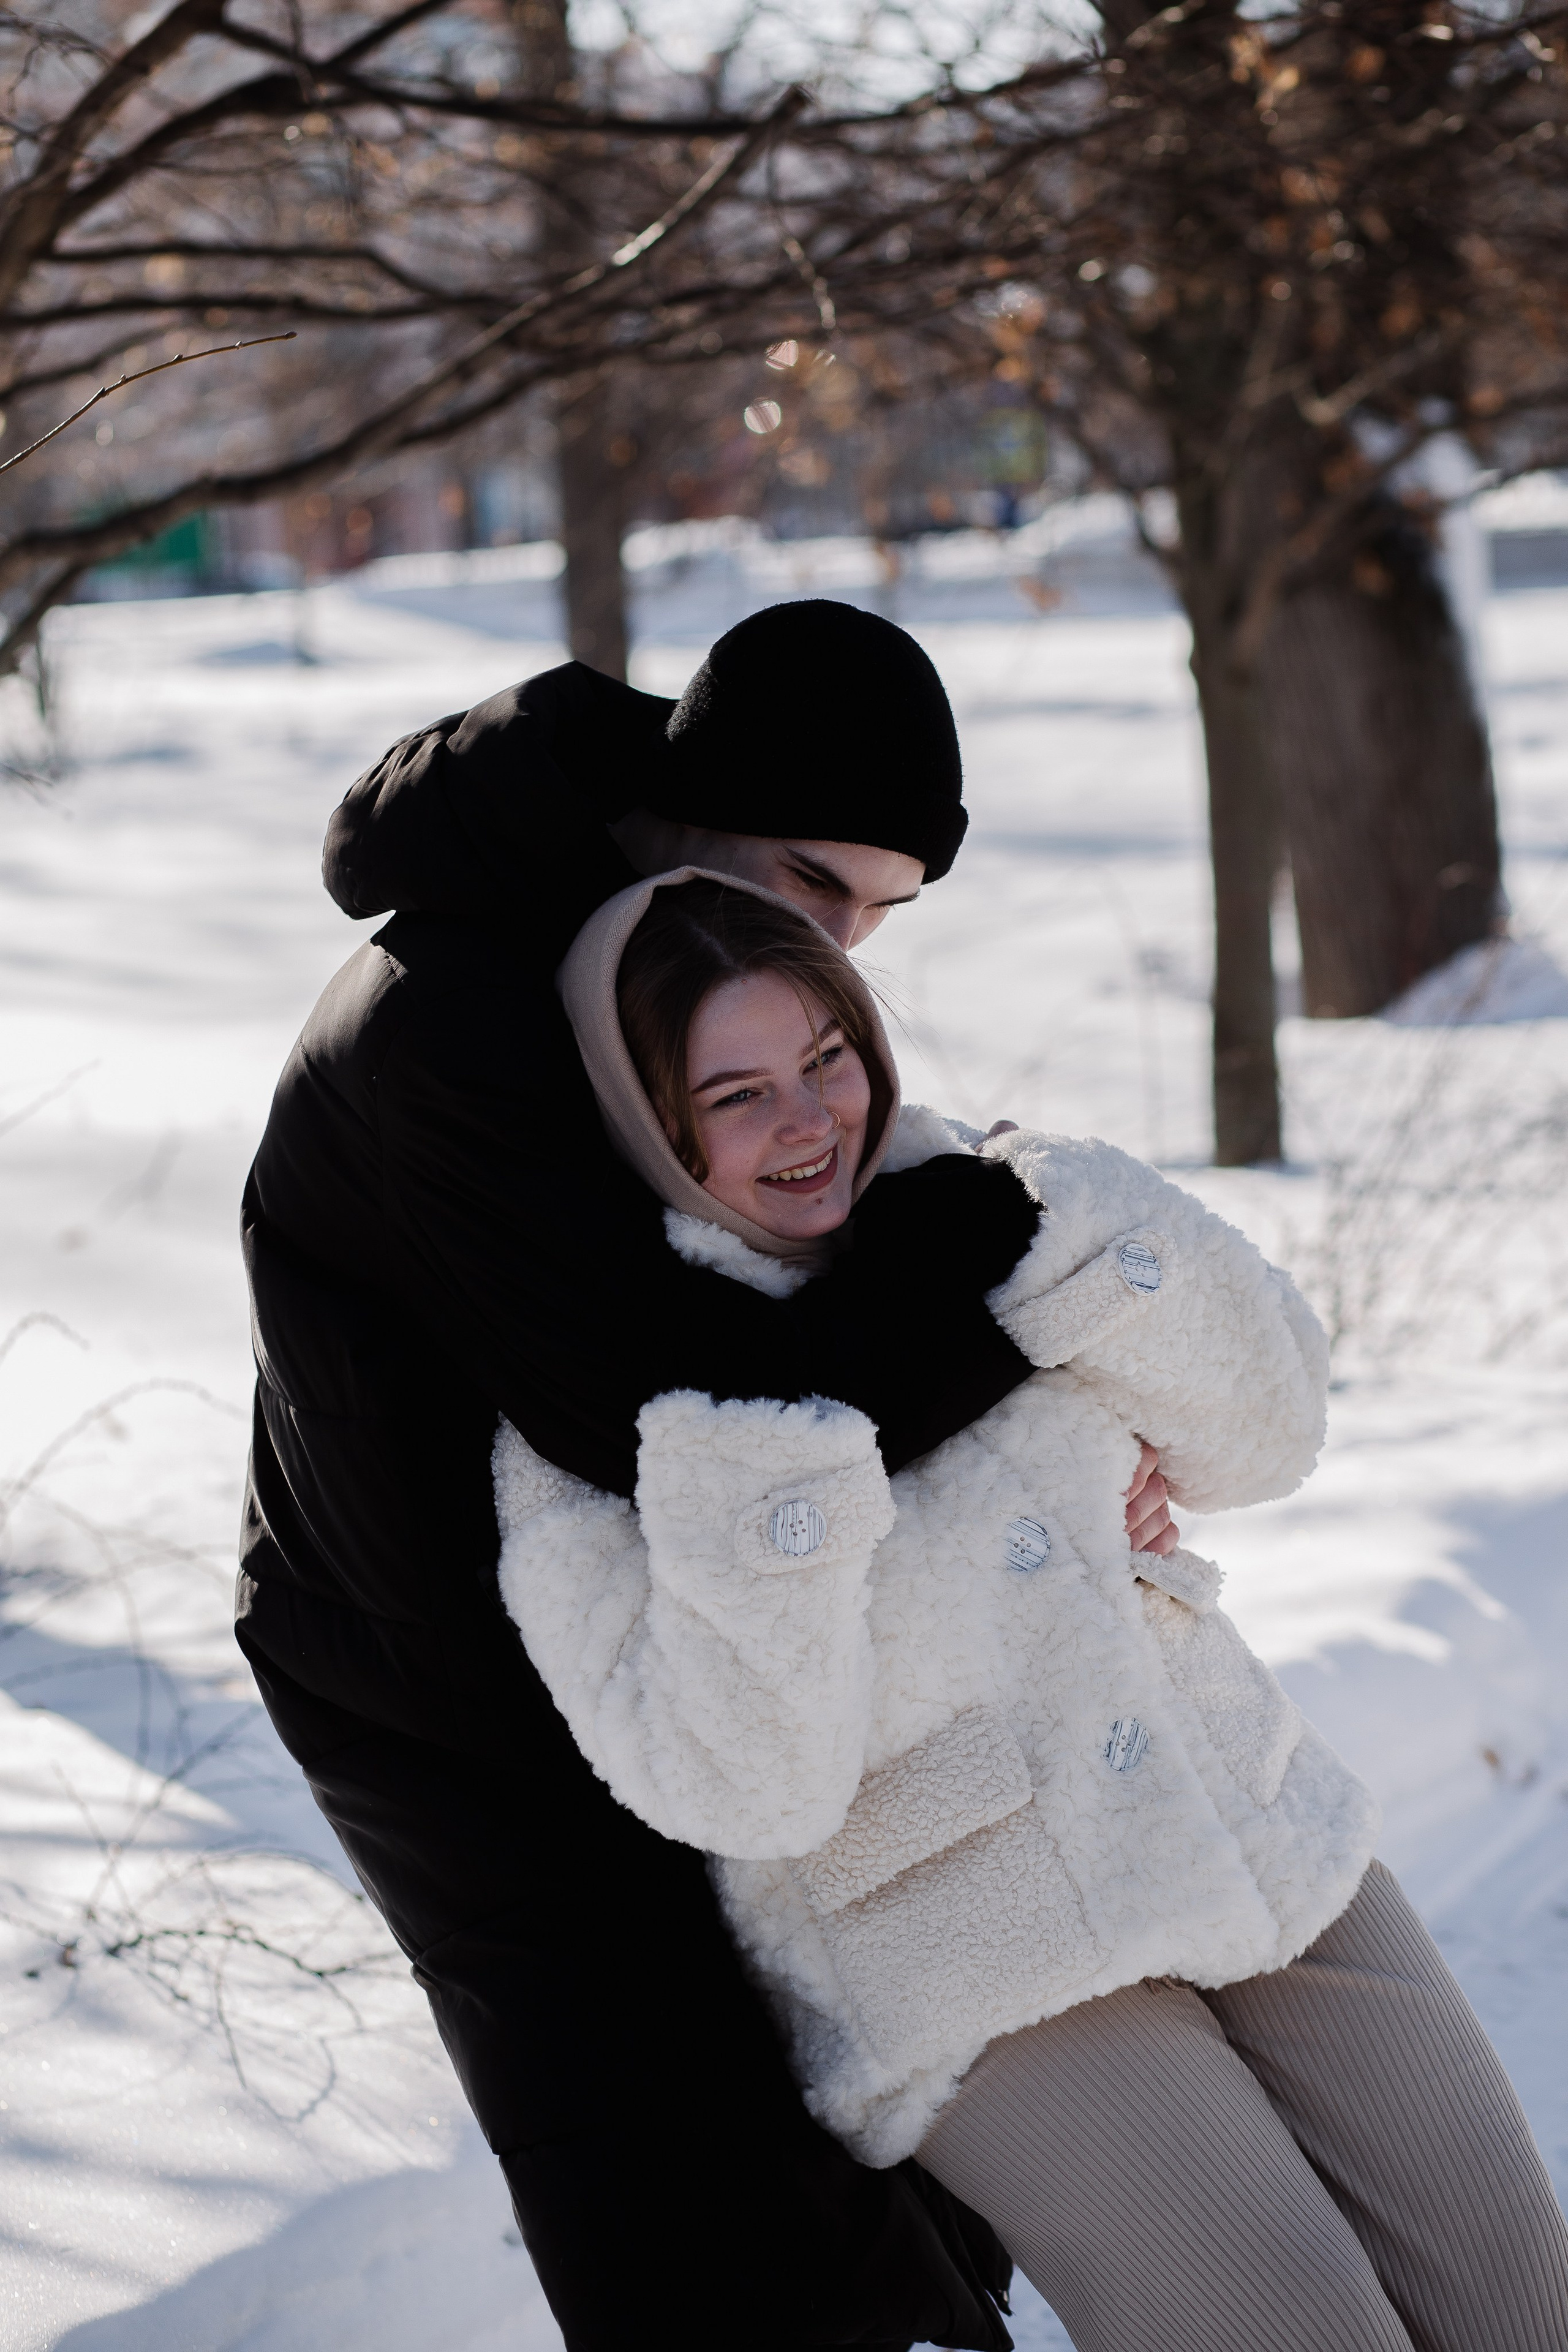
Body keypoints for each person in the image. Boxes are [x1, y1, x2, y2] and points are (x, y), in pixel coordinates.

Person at [238, 600, 1176, 2350]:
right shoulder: (453, 1022)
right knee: (675, 2171)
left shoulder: (674, 954)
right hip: (453, 1692)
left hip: (677, 1624)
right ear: (704, 798)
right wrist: (1008, 1302)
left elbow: (808, 1271)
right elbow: (700, 1412)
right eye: (820, 883)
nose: (836, 947)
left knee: (861, 2120)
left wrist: (1072, 1430)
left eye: (875, 917)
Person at [494, 867, 1568, 2352]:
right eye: (734, 1096)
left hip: (1239, 1817)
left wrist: (1047, 1247)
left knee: (1519, 2297)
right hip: (970, 1947)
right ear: (644, 1121)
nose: (811, 1125)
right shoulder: (597, 1409)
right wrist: (792, 1426)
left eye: (826, 1058)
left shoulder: (968, 1198)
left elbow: (1263, 1432)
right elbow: (740, 1783)